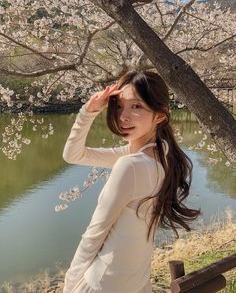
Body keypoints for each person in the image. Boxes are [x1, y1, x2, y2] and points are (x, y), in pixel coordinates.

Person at [62, 70, 200, 293]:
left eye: (136, 106)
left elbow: (94, 234)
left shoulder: (131, 165)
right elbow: (73, 155)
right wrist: (88, 111)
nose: (123, 117)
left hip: (103, 284)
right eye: (118, 106)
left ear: (160, 115)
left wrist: (70, 285)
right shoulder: (164, 155)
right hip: (135, 280)